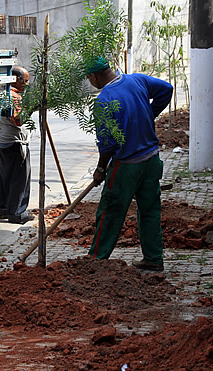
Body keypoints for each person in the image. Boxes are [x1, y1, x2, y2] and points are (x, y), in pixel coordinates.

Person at [86, 57, 173, 272]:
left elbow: (107, 144)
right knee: (150, 210)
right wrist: (149, 114)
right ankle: (153, 258)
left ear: (95, 76)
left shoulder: (104, 100)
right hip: (151, 159)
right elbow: (167, 89)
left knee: (110, 211)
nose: (90, 83)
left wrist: (100, 169)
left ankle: (96, 260)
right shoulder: (137, 80)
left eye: (89, 78)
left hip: (127, 165)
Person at [0, 66, 34, 224]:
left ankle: (2, 209)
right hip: (14, 143)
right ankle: (17, 213)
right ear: (17, 80)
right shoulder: (13, 96)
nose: (27, 84)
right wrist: (31, 107)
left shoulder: (1, 92)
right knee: (19, 179)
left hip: (0, 142)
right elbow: (18, 120)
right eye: (25, 81)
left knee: (3, 177)